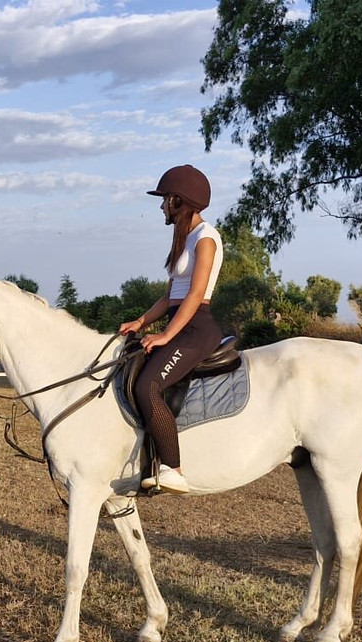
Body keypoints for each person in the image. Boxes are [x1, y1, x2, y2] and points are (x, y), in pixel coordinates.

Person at [119, 165, 227, 494]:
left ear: (179, 201)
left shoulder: (206, 238)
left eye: (165, 199)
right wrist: (141, 322)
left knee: (147, 388)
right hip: (181, 322)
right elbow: (171, 296)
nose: (162, 206)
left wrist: (166, 335)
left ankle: (174, 468)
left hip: (197, 328)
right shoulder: (184, 238)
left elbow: (195, 295)